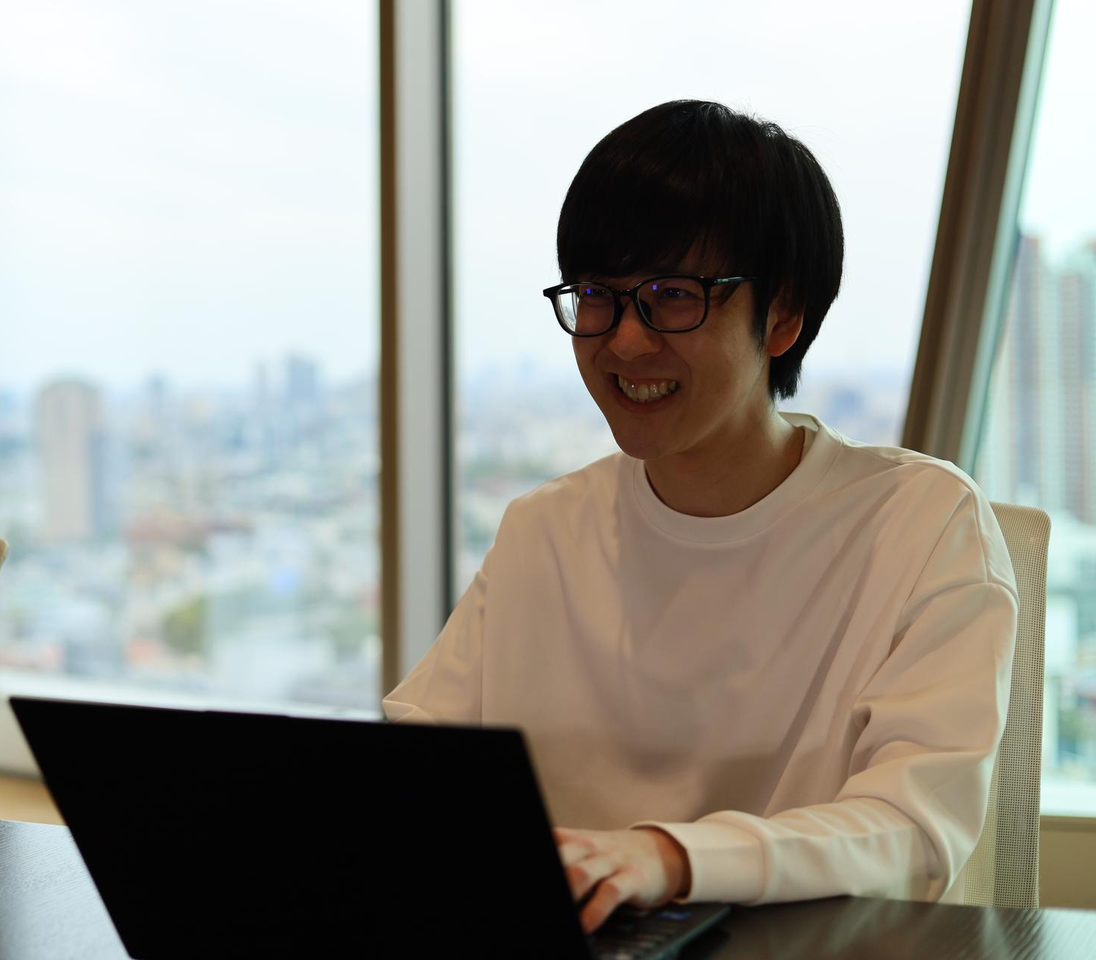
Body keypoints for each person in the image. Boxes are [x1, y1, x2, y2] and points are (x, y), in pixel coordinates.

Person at [383, 100, 1018, 934]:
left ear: (782, 316)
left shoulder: (920, 522)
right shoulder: (546, 529)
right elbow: (413, 767)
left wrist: (671, 857)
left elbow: (913, 827)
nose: (625, 341)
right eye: (598, 296)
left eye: (672, 296)